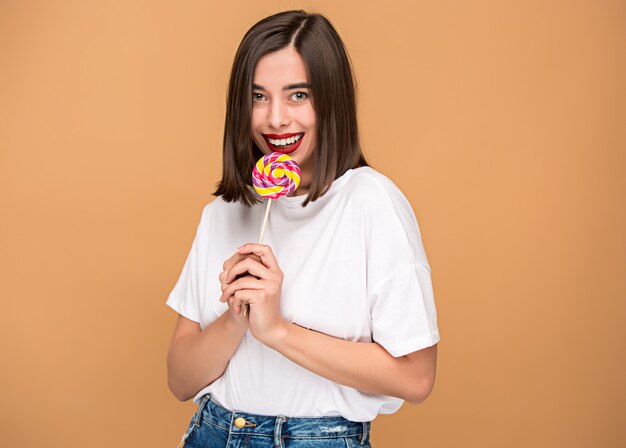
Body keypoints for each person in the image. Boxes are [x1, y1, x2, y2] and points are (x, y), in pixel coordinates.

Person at [166, 9, 440, 448]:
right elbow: (180, 380)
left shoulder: (370, 202)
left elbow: (416, 376)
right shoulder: (223, 212)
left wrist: (276, 330)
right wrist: (238, 317)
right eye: (258, 96)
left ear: (331, 100)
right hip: (212, 434)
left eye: (297, 95)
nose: (275, 119)